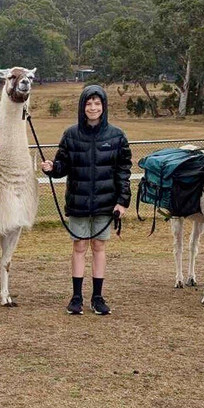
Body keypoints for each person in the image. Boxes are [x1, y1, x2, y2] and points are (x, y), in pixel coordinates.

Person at [41, 85, 131, 316]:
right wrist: (52, 168)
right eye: (88, 103)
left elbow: (123, 171)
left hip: (105, 202)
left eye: (97, 103)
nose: (93, 108)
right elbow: (63, 166)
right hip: (79, 201)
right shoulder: (71, 135)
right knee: (79, 246)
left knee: (99, 246)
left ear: (103, 107)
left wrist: (123, 201)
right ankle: (77, 296)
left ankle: (98, 297)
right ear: (82, 107)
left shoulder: (117, 136)